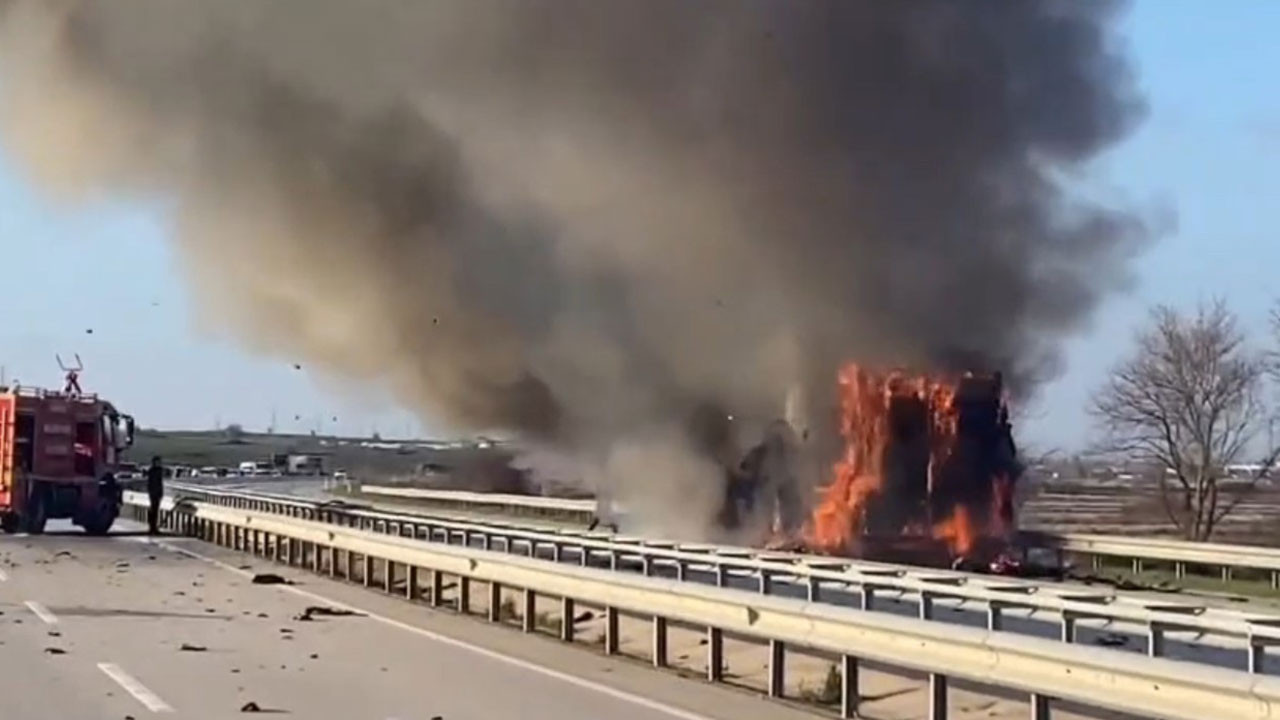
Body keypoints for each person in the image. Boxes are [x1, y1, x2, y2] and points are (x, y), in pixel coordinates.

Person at [146, 456, 164, 534]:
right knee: (153, 510)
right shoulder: (153, 471)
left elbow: (160, 483)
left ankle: (153, 526)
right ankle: (152, 527)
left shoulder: (157, 471)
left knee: (155, 510)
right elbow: (151, 483)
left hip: (156, 493)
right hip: (153, 493)